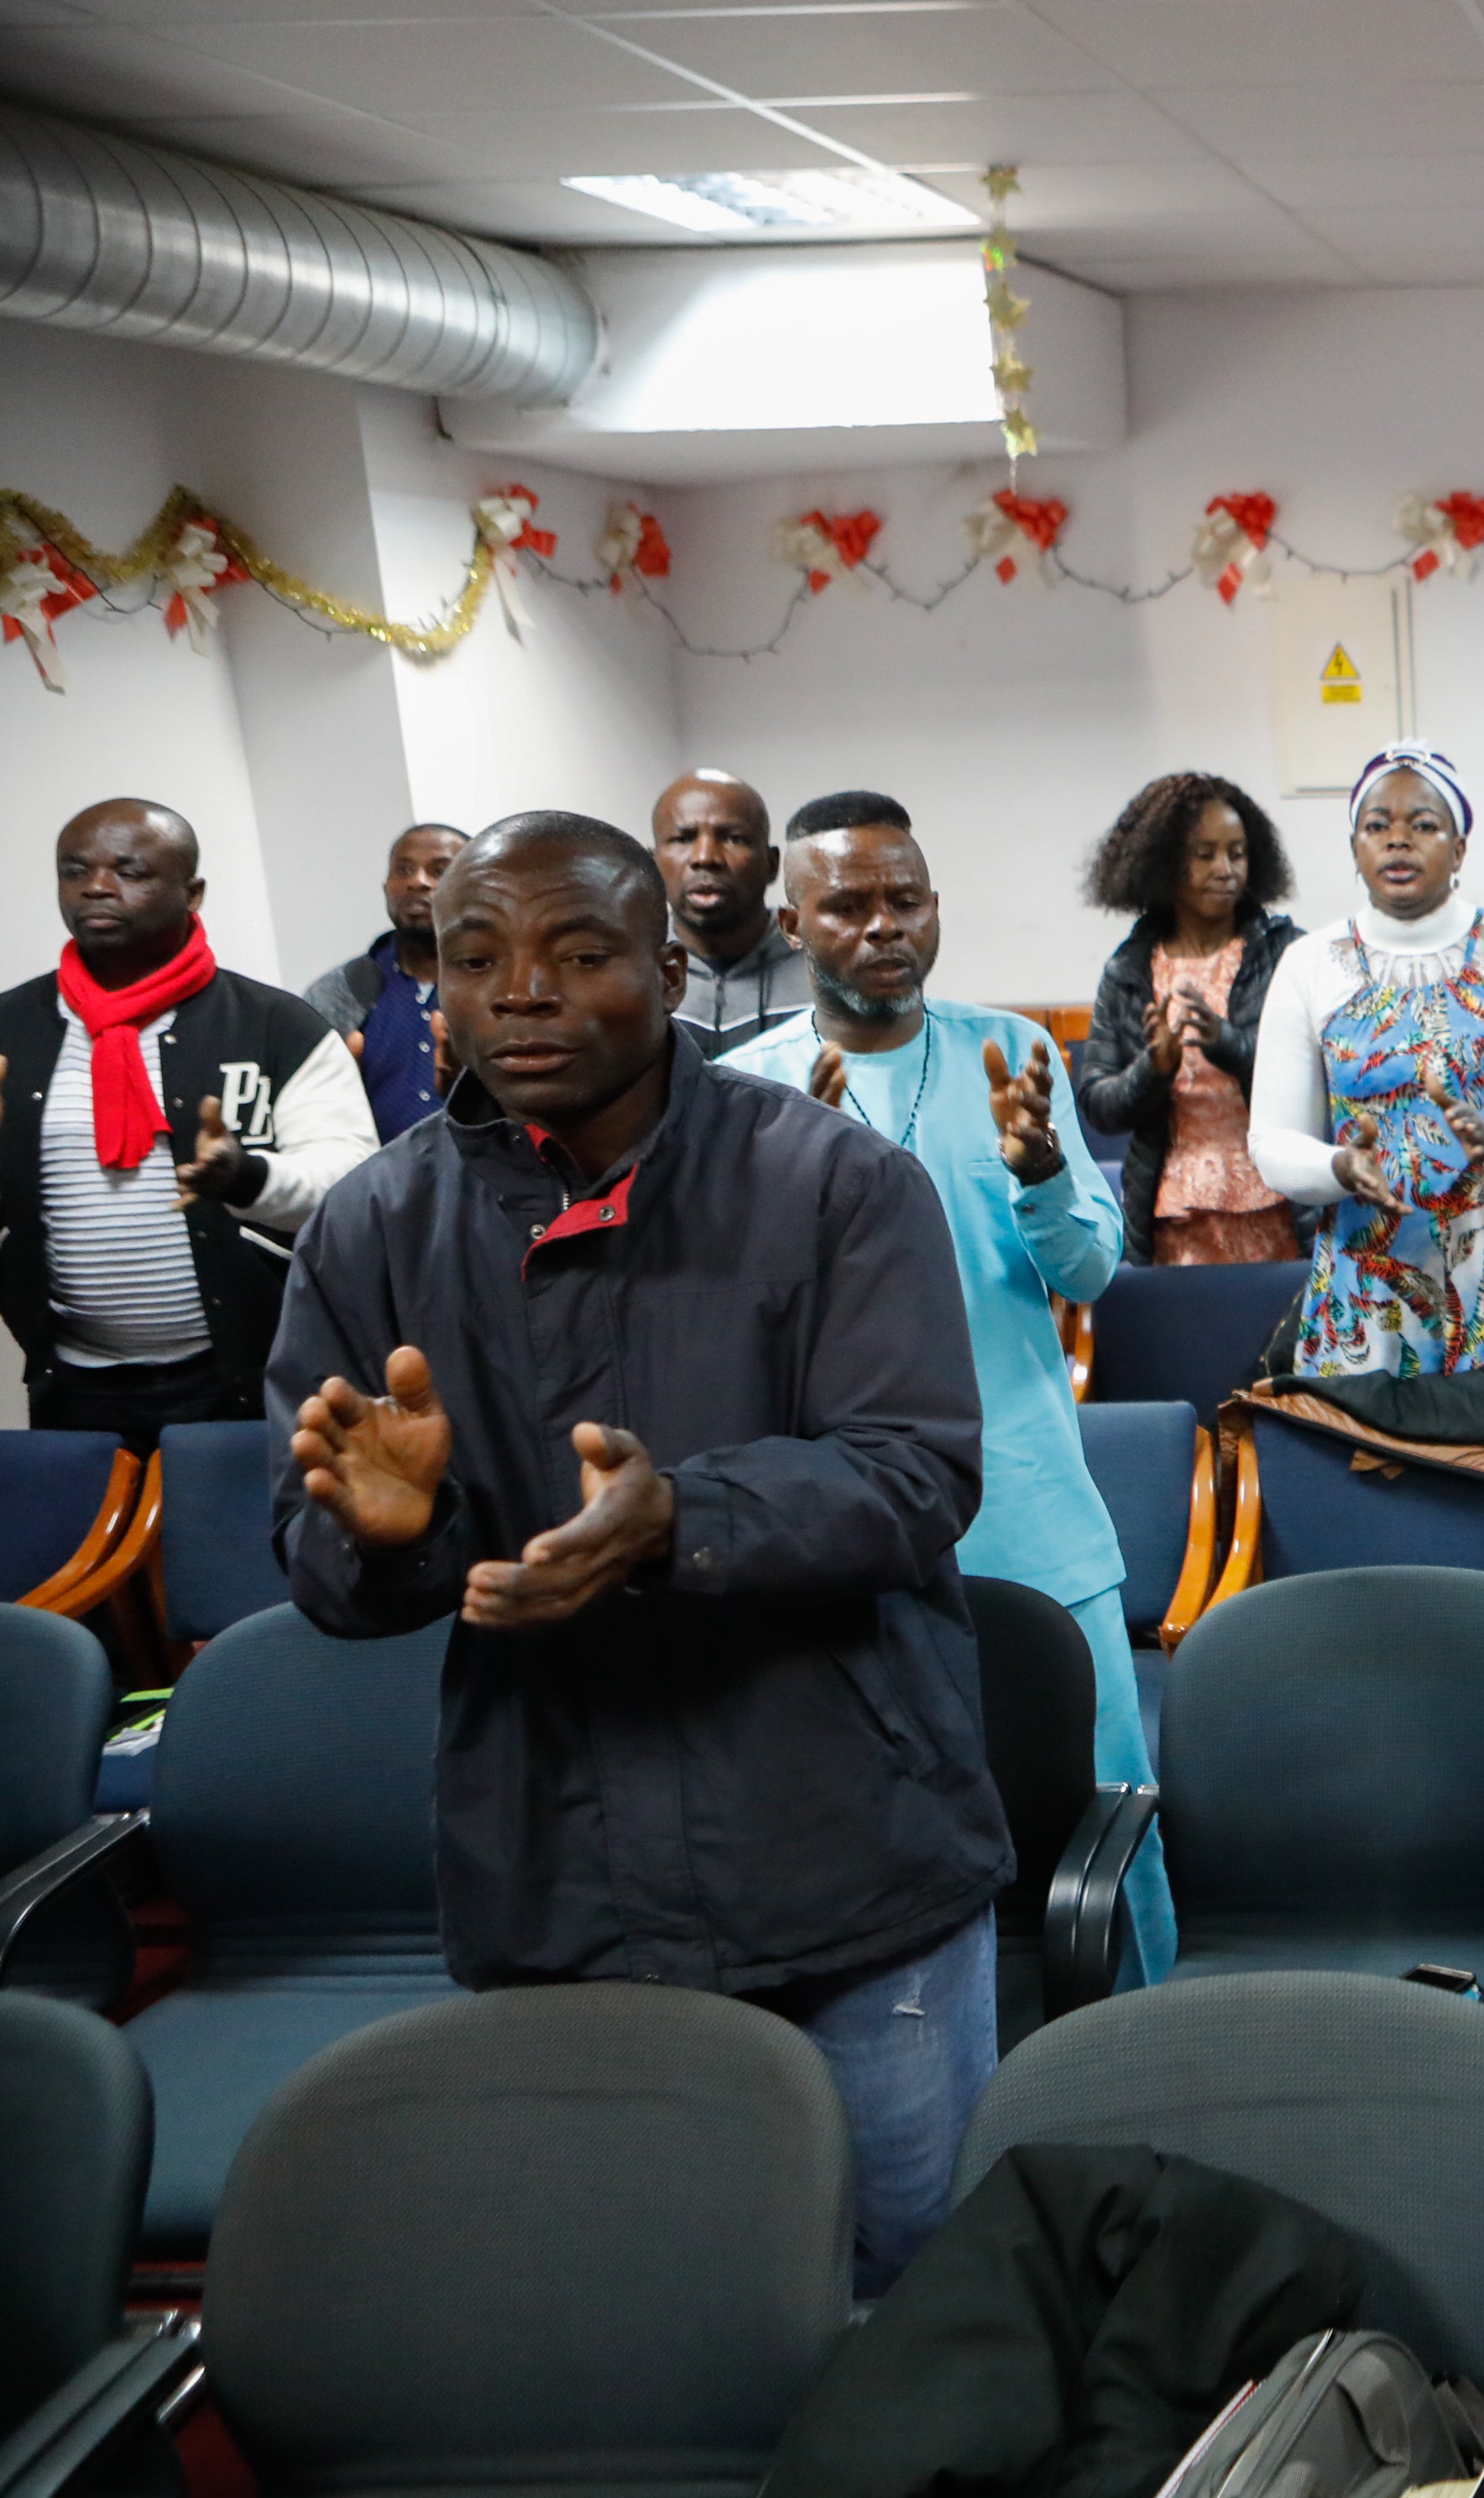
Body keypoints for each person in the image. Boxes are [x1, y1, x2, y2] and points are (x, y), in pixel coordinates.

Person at [270, 810, 1009, 2290]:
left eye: (577, 953)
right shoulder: (374, 1225)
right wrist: (396, 1541)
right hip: (555, 1861)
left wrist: (680, 1518)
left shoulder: (833, 1183)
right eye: (475, 959)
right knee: (635, 2297)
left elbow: (913, 1473)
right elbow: (315, 1550)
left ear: (669, 974)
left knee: (917, 2286)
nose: (520, 994)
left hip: (842, 1851)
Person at [722, 790, 1175, 1985]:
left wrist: (1041, 1172)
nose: (884, 927)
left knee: (1106, 1800)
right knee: (878, 1815)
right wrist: (792, 1198)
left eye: (906, 900)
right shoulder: (744, 1095)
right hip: (847, 1519)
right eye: (847, 906)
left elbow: (1089, 1273)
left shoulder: (1010, 1053)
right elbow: (737, 1330)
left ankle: (1148, 2033)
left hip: (1027, 1501)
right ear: (791, 923)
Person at [3, 798, 375, 1447]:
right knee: (84, 1520)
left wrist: (248, 1177)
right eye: (75, 870)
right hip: (73, 1386)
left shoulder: (274, 1025)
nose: (97, 886)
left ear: (193, 892)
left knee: (232, 1519)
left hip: (248, 1376)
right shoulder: (11, 1030)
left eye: (129, 871)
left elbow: (353, 1184)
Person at [1246, 745, 1484, 1385]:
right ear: (1355, 847)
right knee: (1372, 1451)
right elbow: (1272, 1143)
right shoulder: (1310, 964)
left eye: (1423, 825)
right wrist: (1339, 1167)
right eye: (1377, 825)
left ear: (1460, 849)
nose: (1398, 841)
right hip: (1373, 1290)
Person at [1075, 771, 1306, 1264]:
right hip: (1174, 1216)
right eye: (1204, 855)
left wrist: (1227, 1042)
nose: (1225, 869)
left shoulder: (1288, 954)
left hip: (1280, 1206)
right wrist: (1153, 1069)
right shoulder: (1129, 969)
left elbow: (1315, 1074)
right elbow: (1097, 1102)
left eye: (1237, 853)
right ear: (1164, 864)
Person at [302, 822, 466, 1140]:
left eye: (439, 871)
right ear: (386, 887)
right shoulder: (340, 990)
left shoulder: (501, 985)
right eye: (404, 870)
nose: (418, 882)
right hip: (378, 1169)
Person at [651, 767, 808, 1049]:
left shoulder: (822, 967)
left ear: (772, 864)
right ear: (652, 865)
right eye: (683, 839)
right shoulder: (634, 970)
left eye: (734, 838)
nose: (705, 858)